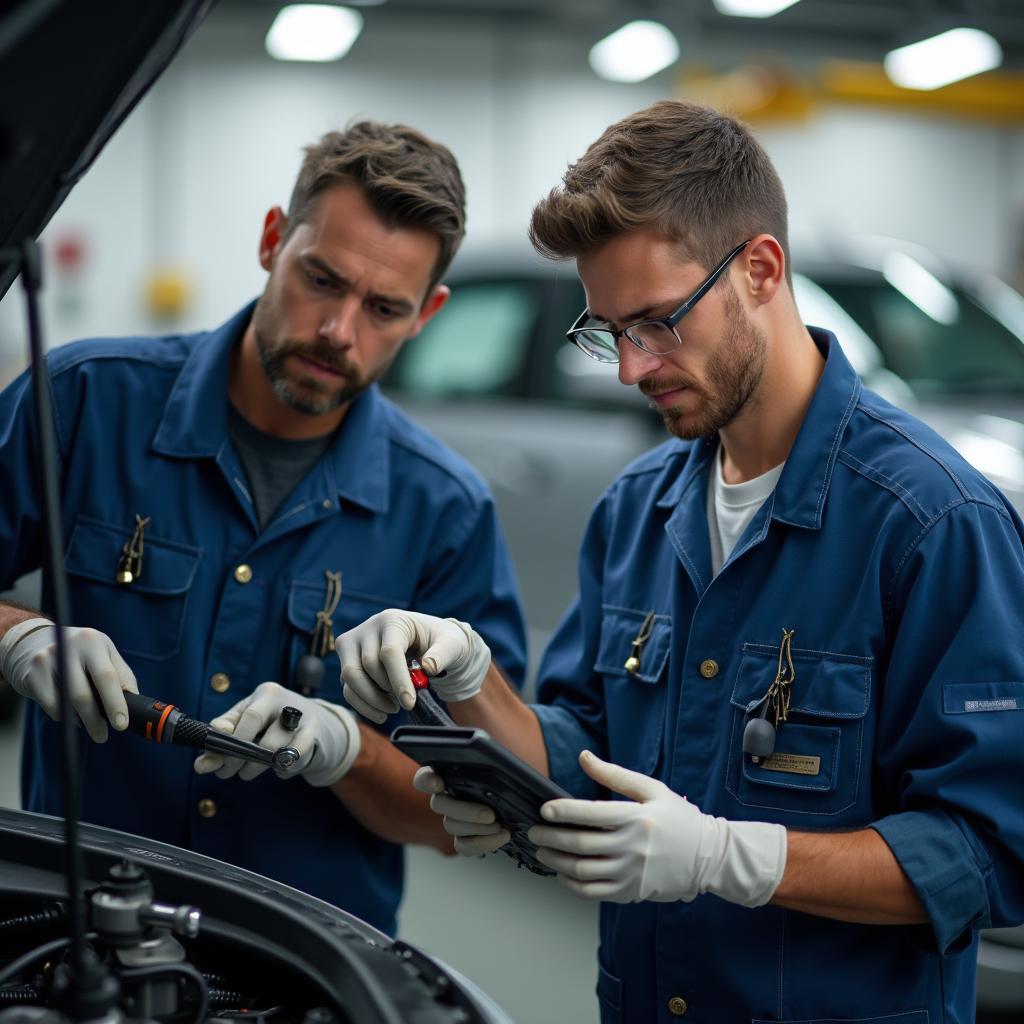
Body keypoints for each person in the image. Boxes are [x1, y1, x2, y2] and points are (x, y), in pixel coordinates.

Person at [334, 101, 1024, 1020]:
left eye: (657, 322)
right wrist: (472, 688)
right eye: (609, 330)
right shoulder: (638, 508)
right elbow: (585, 749)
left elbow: (990, 853)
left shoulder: (933, 522)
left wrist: (731, 858)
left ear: (761, 270)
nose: (628, 368)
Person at [0, 120, 526, 935]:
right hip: (75, 935)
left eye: (385, 308)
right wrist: (21, 636)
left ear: (428, 314)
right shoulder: (82, 402)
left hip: (304, 965)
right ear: (273, 239)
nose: (339, 332)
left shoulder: (445, 512)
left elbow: (458, 821)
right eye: (322, 280)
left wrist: (349, 751)